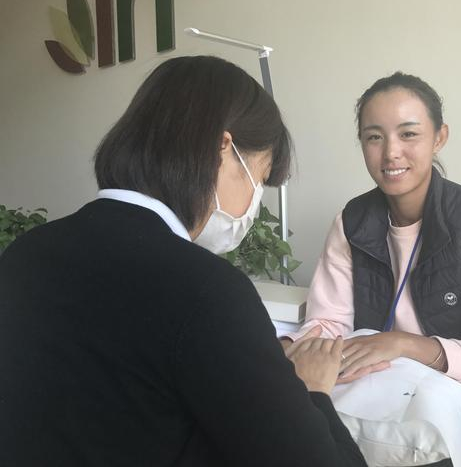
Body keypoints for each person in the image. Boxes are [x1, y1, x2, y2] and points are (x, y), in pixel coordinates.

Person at [0, 56, 366, 467]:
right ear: (222, 150)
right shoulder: (206, 290)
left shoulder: (25, 253)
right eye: (260, 178)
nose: (254, 199)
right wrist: (311, 390)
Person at [281, 72, 461, 467]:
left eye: (408, 134)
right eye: (374, 137)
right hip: (388, 386)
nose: (391, 152)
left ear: (439, 137)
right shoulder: (351, 222)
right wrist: (291, 349)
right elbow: (328, 322)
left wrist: (404, 344)